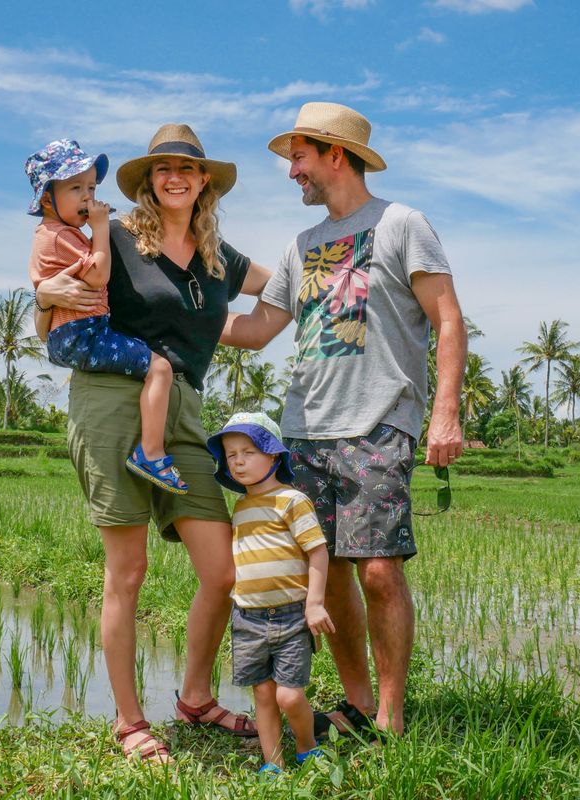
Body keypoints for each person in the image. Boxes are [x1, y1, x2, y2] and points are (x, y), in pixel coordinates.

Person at [222, 102, 467, 739]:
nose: (291, 172)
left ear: (335, 153)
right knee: (324, 571)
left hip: (378, 423)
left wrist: (444, 415)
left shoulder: (400, 223)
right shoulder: (300, 246)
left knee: (380, 570)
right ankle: (357, 703)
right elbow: (254, 331)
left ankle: (391, 716)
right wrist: (171, 320)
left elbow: (447, 318)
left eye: (298, 157)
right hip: (305, 430)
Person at [34, 124, 274, 763]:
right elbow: (56, 285)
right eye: (162, 169)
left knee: (221, 570)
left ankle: (196, 699)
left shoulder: (221, 258)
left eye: (188, 170)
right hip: (113, 398)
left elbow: (275, 301)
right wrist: (38, 298)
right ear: (146, 181)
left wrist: (337, 287)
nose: (176, 178)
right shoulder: (112, 235)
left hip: (185, 410)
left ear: (205, 183)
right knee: (128, 571)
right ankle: (130, 720)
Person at [25, 139, 185, 493]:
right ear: (47, 198)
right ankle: (151, 452)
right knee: (160, 368)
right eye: (76, 188)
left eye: (92, 188)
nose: (88, 197)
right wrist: (100, 228)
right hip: (84, 332)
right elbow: (98, 276)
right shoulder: (59, 236)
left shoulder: (60, 234)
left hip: (71, 332)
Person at [205, 412, 335, 775]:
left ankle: (307, 746)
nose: (239, 461)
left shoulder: (292, 501)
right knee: (263, 694)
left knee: (288, 695)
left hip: (292, 615)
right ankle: (272, 763)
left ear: (274, 456)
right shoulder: (241, 507)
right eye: (231, 455)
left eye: (248, 451)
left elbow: (317, 551)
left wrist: (315, 604)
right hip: (248, 617)